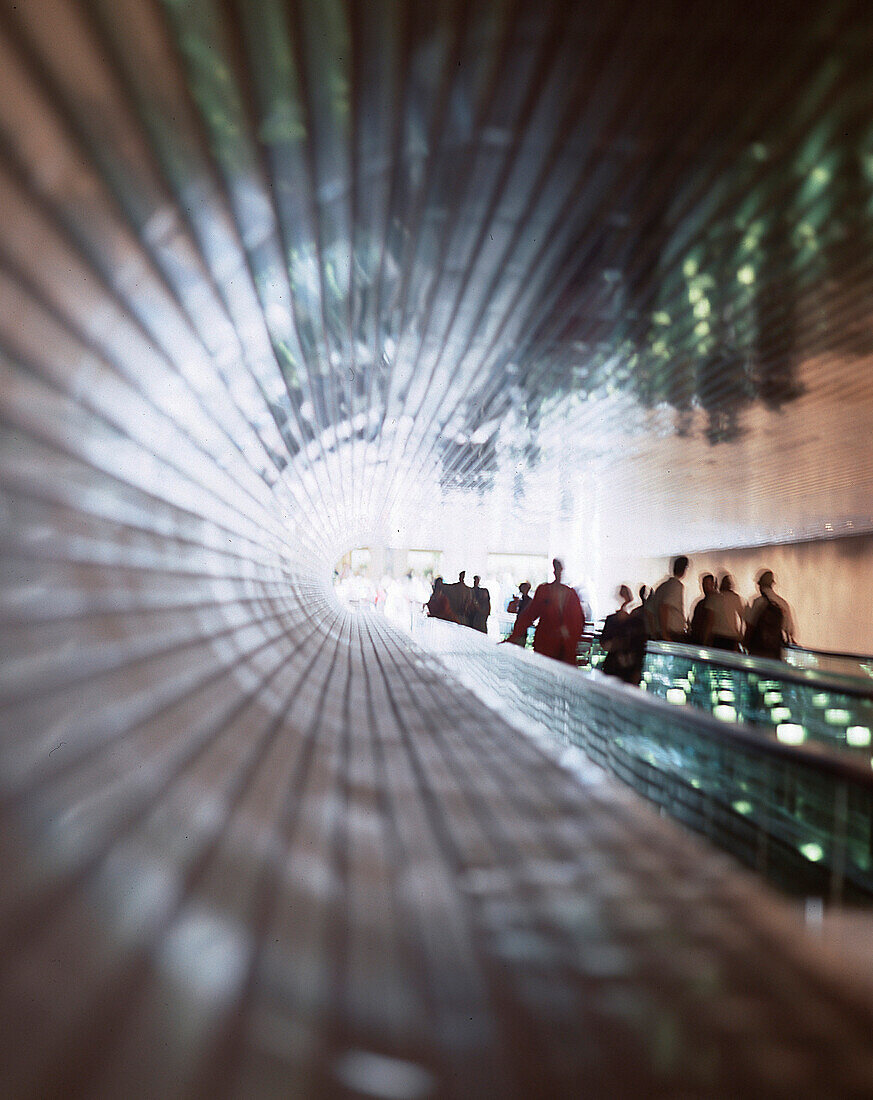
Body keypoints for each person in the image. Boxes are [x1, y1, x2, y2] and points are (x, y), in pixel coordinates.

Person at [505, 558, 583, 665]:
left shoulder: (568, 594)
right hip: (547, 644)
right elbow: (529, 615)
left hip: (557, 645)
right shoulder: (546, 591)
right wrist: (514, 636)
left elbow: (577, 621)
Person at [745, 569, 796, 660]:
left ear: (760, 585)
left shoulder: (758, 602)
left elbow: (749, 626)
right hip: (775, 651)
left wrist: (744, 644)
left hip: (758, 649)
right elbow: (789, 631)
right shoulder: (783, 604)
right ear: (772, 584)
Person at [600, 585, 639, 682]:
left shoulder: (612, 620)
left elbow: (604, 644)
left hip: (614, 666)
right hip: (623, 667)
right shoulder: (634, 622)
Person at [649, 555, 689, 641]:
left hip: (661, 631)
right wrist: (665, 634)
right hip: (672, 633)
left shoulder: (662, 587)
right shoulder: (676, 586)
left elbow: (651, 611)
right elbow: (664, 607)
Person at [709, 573, 744, 651]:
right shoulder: (735, 598)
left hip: (717, 634)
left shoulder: (714, 598)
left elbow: (710, 619)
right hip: (732, 635)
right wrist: (740, 633)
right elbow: (742, 615)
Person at [688, 573, 717, 645]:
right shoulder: (701, 603)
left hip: (709, 640)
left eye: (707, 584)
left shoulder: (716, 602)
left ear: (713, 584)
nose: (705, 587)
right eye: (704, 584)